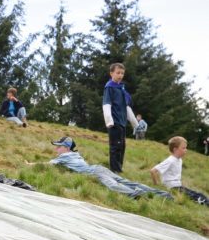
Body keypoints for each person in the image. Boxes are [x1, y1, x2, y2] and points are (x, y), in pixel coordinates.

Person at [25, 136, 173, 200]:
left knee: (113, 186)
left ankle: (134, 194)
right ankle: (162, 195)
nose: (56, 150)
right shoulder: (76, 155)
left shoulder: (63, 157)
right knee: (126, 181)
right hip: (99, 168)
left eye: (58, 147)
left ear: (66, 148)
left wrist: (30, 165)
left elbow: (46, 164)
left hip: (95, 172)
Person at [150, 136, 208, 206]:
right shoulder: (170, 160)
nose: (186, 150)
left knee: (199, 194)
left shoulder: (179, 160)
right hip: (173, 188)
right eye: (183, 148)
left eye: (186, 148)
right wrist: (156, 185)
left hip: (178, 186)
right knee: (195, 197)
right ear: (175, 149)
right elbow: (153, 171)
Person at [102, 63, 139, 173]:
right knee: (115, 147)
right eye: (118, 73)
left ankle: (119, 168)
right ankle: (114, 170)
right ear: (111, 73)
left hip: (122, 123)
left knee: (122, 146)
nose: (120, 75)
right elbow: (106, 104)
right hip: (114, 123)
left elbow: (127, 108)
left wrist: (135, 124)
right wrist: (109, 121)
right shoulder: (109, 88)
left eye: (122, 73)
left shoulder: (121, 89)